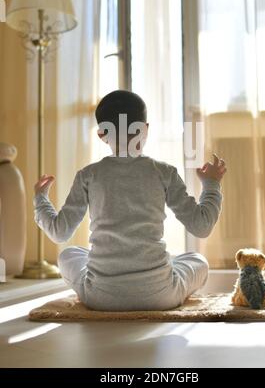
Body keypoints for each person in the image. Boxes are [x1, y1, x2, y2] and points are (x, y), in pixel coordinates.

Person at [33, 90, 226, 311]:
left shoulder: (88, 175)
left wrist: (41, 199)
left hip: (100, 297)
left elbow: (59, 232)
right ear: (145, 129)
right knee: (197, 260)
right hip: (161, 295)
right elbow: (201, 226)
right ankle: (159, 271)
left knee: (68, 255)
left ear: (101, 134)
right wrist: (211, 184)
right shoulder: (164, 172)